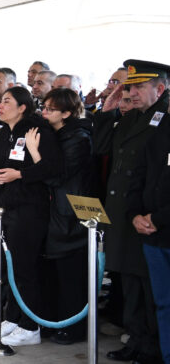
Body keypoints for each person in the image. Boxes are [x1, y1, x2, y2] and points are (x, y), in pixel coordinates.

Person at [0, 86, 62, 346]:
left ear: (22, 107)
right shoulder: (3, 134)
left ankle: (30, 325)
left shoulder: (37, 131)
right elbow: (0, 168)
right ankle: (13, 317)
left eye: (6, 101)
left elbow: (52, 168)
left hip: (29, 209)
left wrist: (20, 174)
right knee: (9, 267)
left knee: (25, 268)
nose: (0, 106)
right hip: (6, 208)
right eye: (0, 102)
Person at [94, 59, 168, 363]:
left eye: (138, 87)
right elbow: (101, 147)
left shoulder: (164, 120)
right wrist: (108, 110)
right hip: (124, 214)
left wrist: (151, 215)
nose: (131, 92)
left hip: (147, 218)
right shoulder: (132, 117)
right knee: (130, 285)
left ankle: (152, 347)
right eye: (130, 87)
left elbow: (157, 177)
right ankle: (137, 341)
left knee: (152, 291)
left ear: (159, 88)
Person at [38, 88, 95, 345]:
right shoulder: (55, 134)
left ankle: (73, 328)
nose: (44, 112)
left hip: (72, 213)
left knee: (71, 275)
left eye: (50, 109)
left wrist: (35, 153)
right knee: (53, 273)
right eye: (44, 107)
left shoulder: (78, 138)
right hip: (55, 212)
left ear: (67, 113)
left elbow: (55, 175)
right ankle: (54, 322)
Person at [127, 62, 170, 363]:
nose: (132, 93)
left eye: (139, 87)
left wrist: (157, 218)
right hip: (153, 233)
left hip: (161, 223)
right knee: (164, 303)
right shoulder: (159, 125)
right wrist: (135, 215)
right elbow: (138, 174)